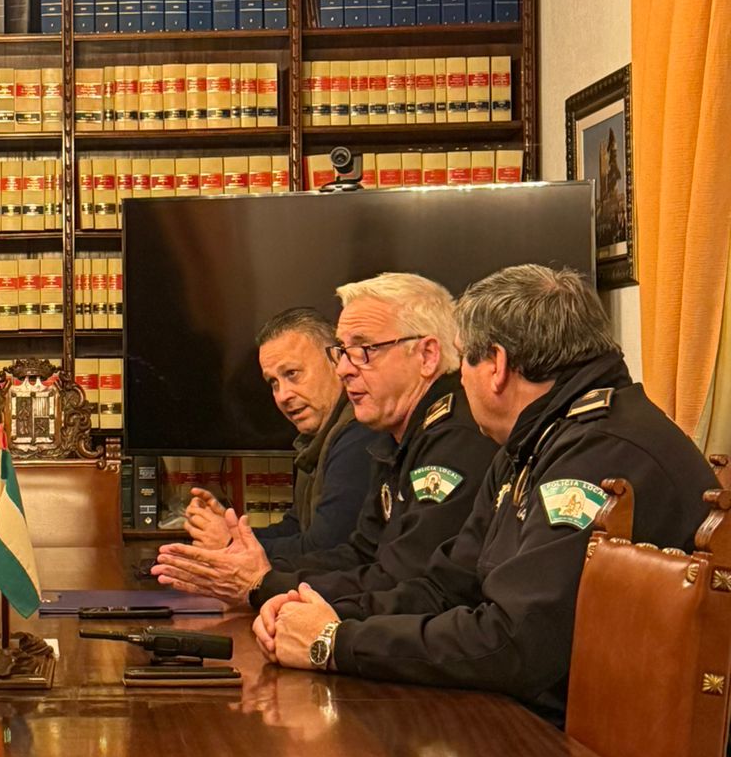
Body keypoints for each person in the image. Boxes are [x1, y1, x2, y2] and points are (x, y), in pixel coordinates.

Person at [257, 264, 715, 719]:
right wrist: (322, 613)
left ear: (495, 365)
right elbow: (446, 587)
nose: (459, 381)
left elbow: (516, 642)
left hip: (585, 740)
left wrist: (335, 643)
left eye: (463, 360)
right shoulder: (534, 440)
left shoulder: (599, 452)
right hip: (539, 713)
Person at [154, 272, 495, 609]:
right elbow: (359, 554)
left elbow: (405, 586)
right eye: (342, 352)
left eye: (364, 350)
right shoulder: (394, 435)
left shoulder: (456, 438)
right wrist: (251, 573)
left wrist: (263, 585)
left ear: (427, 355)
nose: (344, 368)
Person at [179, 307, 376, 567]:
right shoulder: (315, 438)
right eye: (273, 382)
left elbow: (324, 548)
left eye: (292, 373)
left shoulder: (358, 434)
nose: (282, 396)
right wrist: (232, 532)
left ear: (337, 361)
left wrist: (230, 543)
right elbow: (296, 526)